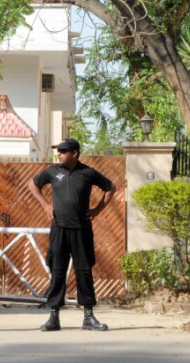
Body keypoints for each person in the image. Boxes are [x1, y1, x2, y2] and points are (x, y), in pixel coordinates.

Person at [27, 138, 116, 332]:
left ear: (74, 153)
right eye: (58, 151)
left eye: (62, 151)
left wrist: (97, 210)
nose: (58, 154)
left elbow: (110, 188)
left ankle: (88, 317)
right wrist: (45, 205)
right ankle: (54, 317)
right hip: (59, 229)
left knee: (84, 272)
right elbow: (33, 185)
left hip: (81, 230)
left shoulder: (87, 172)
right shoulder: (52, 171)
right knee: (57, 271)